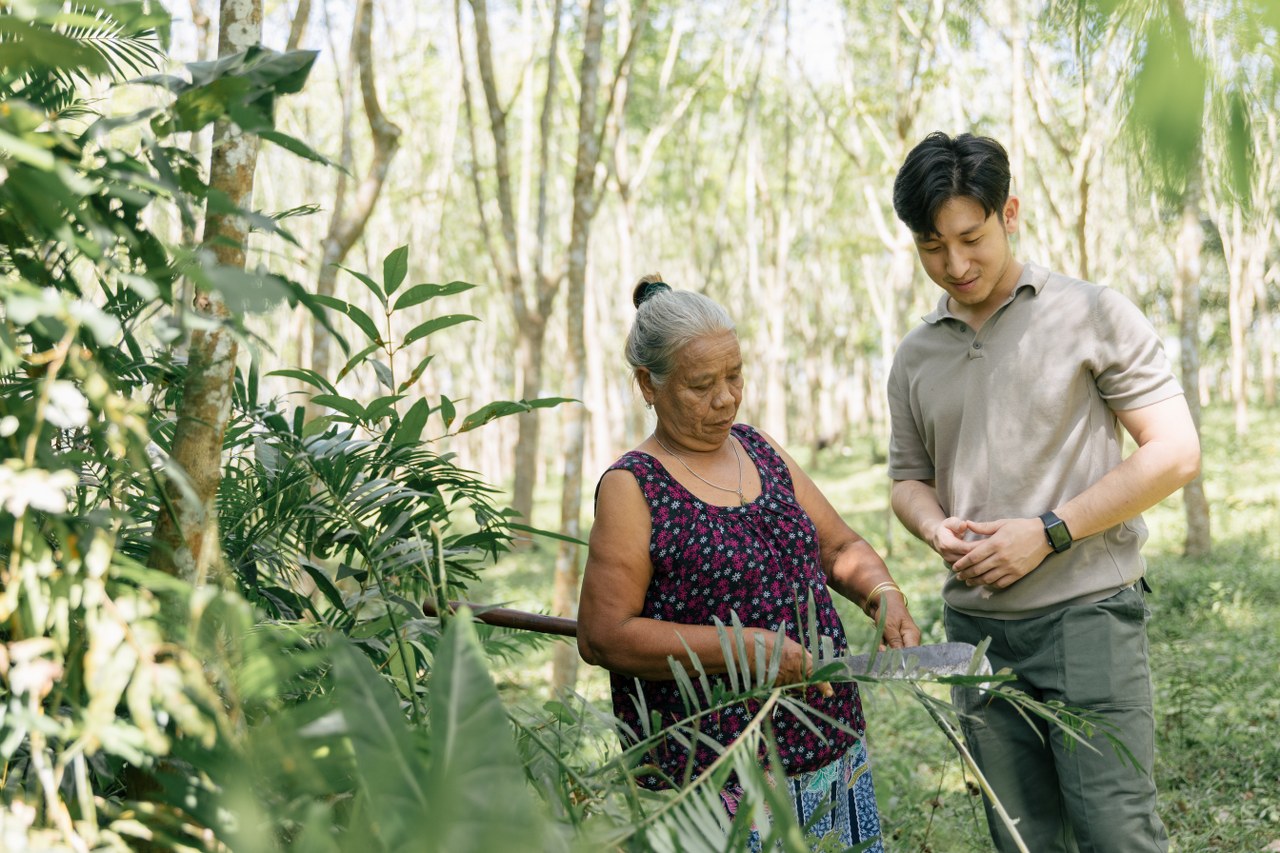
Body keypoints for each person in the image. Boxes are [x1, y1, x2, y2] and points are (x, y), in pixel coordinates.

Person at [886, 131, 1202, 853]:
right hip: (976, 637)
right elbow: (908, 481)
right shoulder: (916, 353)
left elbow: (1176, 451)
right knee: (1022, 839)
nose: (955, 264)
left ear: (1010, 213)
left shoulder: (1091, 312)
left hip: (1087, 617)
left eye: (970, 238)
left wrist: (1050, 530)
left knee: (1117, 833)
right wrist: (934, 526)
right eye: (933, 247)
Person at [578, 275, 920, 852]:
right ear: (648, 385)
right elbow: (604, 636)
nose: (726, 399)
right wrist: (737, 650)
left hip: (824, 742)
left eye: (734, 376)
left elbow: (838, 548)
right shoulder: (632, 486)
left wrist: (884, 594)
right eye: (701, 385)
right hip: (716, 771)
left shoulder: (759, 449)